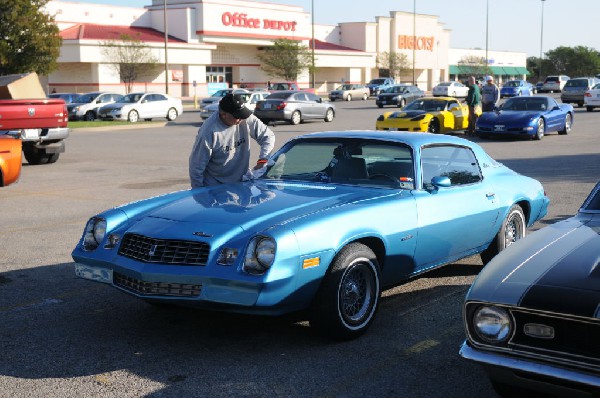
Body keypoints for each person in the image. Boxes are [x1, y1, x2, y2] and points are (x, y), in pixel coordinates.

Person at [189, 93, 275, 188]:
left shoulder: (244, 118)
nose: (241, 119)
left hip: (242, 182)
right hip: (216, 188)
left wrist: (263, 160)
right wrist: (200, 194)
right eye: (237, 116)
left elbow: (268, 136)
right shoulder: (209, 131)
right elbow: (196, 168)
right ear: (224, 114)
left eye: (242, 114)